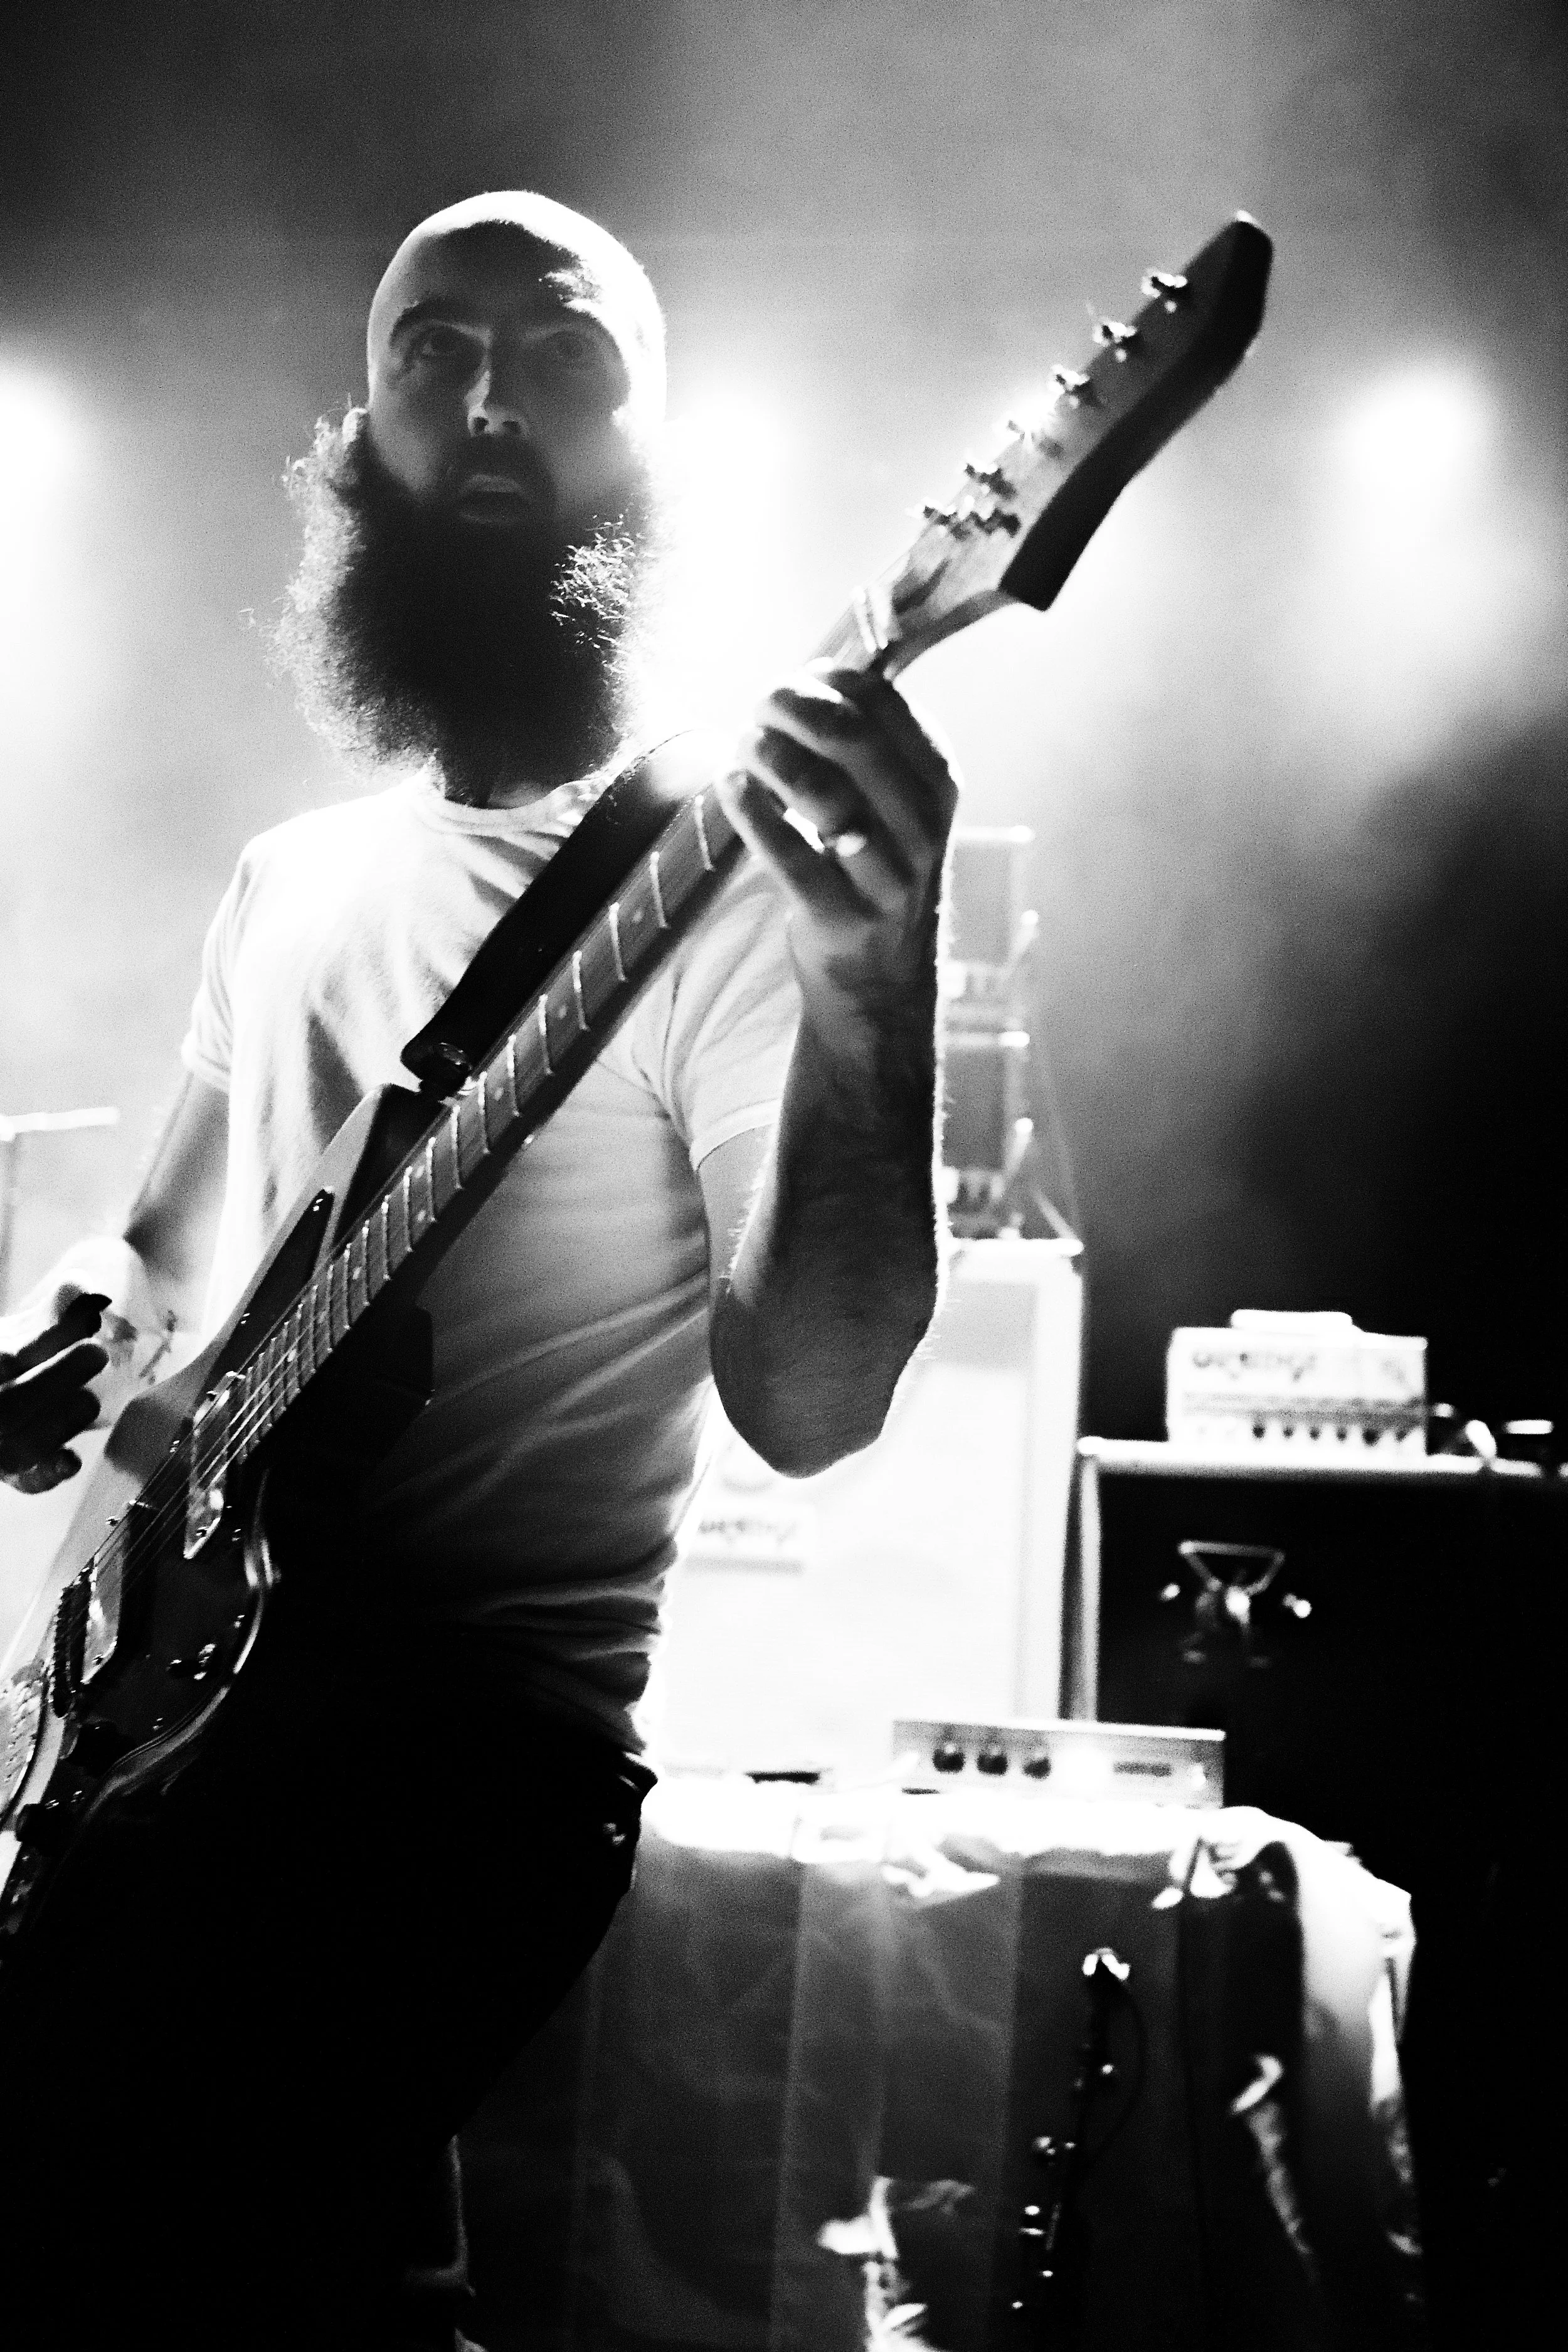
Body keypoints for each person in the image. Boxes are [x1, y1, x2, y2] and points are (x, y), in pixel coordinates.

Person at [0, 192, 956, 2350]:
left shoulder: (728, 888)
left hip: (458, 1765)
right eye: (434, 351)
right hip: (171, 1711)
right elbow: (162, 1250)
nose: (493, 399)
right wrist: (69, 1314)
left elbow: (808, 1405)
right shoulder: (296, 877)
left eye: (564, 357)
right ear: (359, 431)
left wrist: (878, 978)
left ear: (659, 446)